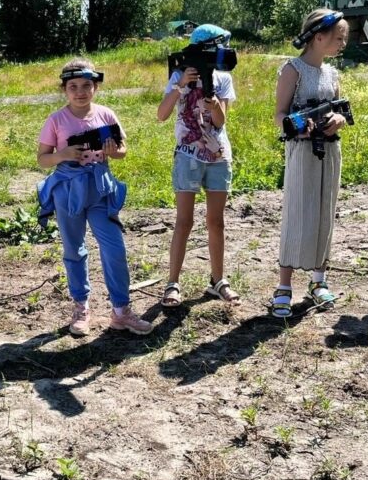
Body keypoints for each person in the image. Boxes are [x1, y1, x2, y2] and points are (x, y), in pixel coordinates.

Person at [36, 59, 153, 337]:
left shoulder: (106, 115)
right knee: (74, 250)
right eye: (73, 86)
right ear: (64, 89)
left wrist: (114, 151)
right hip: (68, 190)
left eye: (86, 85)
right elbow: (42, 159)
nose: (80, 92)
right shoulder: (56, 120)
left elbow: (122, 149)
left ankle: (121, 311)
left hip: (101, 188)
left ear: (95, 86)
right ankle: (81, 307)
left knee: (114, 248)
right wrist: (63, 155)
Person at [269, 9, 351, 318]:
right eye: (339, 38)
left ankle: (319, 281)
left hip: (330, 152)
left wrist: (339, 120)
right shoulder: (293, 70)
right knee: (298, 212)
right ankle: (284, 286)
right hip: (302, 151)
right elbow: (279, 115)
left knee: (324, 213)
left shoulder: (332, 73)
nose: (343, 43)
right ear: (319, 37)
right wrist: (299, 126)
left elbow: (340, 109)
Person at [156, 24, 241, 308]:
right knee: (184, 221)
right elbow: (162, 114)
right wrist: (181, 86)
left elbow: (220, 121)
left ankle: (218, 280)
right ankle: (173, 282)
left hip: (217, 156)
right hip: (188, 155)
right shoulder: (179, 75)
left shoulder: (224, 77)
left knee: (216, 222)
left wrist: (213, 101)